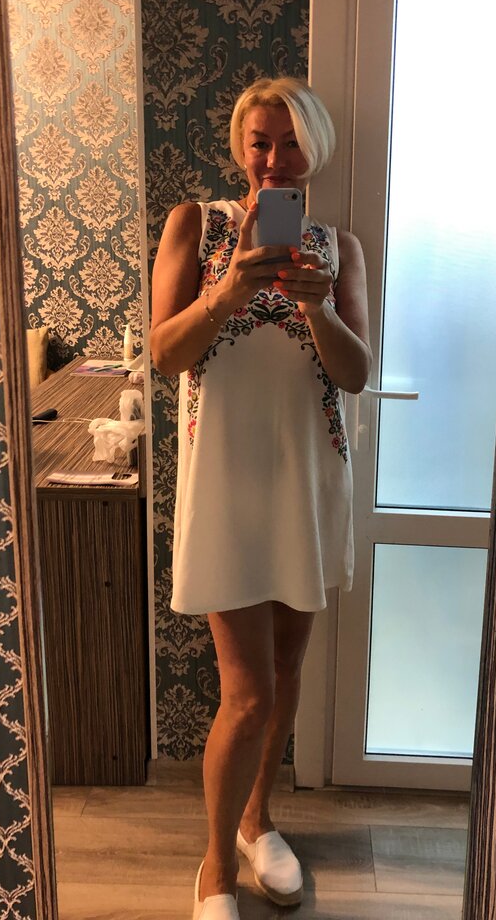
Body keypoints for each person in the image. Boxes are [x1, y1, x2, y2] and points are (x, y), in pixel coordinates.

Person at [149, 77, 371, 919]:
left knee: (282, 676)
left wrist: (318, 309)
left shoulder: (338, 249)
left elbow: (355, 374)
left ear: (315, 147)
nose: (274, 159)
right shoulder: (195, 226)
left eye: (289, 142)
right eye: (259, 142)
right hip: (226, 485)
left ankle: (257, 820)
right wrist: (229, 291)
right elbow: (167, 355)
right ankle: (215, 866)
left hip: (307, 481)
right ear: (240, 148)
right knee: (246, 693)